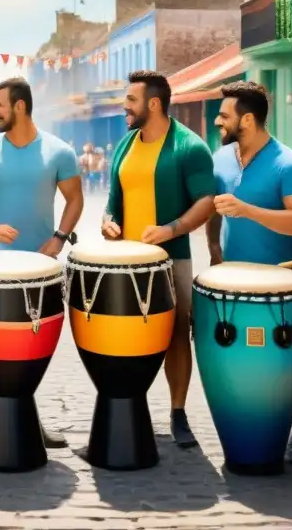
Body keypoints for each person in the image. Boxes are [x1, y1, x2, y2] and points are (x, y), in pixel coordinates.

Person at [205, 81, 292, 465]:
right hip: (234, 290)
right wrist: (214, 250)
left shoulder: (290, 164)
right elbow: (213, 208)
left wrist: (250, 210)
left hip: (284, 286)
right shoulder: (221, 158)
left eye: (224, 115)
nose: (217, 120)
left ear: (248, 119)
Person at [0, 77, 84, 446]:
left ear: (19, 106)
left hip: (41, 266)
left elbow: (75, 200)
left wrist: (59, 238)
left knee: (32, 345)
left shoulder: (59, 152)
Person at [100, 70, 215, 449]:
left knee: (177, 336)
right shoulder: (125, 144)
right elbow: (113, 201)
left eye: (131, 100)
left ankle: (178, 413)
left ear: (153, 103)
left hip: (172, 260)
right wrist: (108, 222)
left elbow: (206, 202)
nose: (124, 106)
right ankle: (130, 411)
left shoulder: (189, 147)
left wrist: (171, 229)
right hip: (126, 263)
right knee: (125, 338)